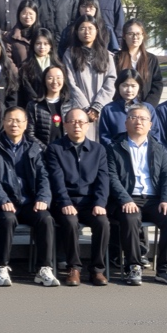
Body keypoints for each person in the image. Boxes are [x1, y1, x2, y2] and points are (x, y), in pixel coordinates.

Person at [0, 107, 59, 287]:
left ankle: (44, 268)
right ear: (3, 123)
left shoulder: (33, 148)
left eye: (18, 120)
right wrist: (3, 200)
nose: (14, 124)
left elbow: (43, 176)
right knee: (7, 219)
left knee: (45, 218)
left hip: (28, 202)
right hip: (2, 204)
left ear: (25, 124)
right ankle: (1, 267)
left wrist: (43, 198)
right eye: (10, 120)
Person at [106, 104, 167, 286]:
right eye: (133, 117)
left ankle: (165, 269)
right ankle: (133, 266)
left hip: (154, 199)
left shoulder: (159, 148)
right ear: (126, 123)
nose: (138, 121)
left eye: (143, 118)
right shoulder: (114, 148)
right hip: (127, 198)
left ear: (150, 124)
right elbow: (111, 177)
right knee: (130, 218)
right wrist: (125, 199)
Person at [45, 108, 111, 286]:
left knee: (103, 222)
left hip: (90, 202)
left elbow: (103, 179)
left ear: (88, 125)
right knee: (70, 221)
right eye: (72, 122)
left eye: (81, 122)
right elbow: (56, 180)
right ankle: (74, 268)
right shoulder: (55, 148)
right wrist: (64, 202)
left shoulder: (98, 150)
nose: (77, 126)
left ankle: (97, 270)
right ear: (65, 125)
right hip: (65, 202)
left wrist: (100, 203)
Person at [62, 15, 118, 142]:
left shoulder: (106, 55)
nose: (86, 32)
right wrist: (86, 109)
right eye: (82, 28)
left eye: (90, 28)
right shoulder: (70, 54)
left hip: (102, 109)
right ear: (77, 32)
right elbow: (70, 83)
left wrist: (96, 107)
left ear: (97, 31)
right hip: (79, 110)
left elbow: (111, 81)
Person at [26, 63, 86, 146]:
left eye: (58, 78)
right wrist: (47, 150)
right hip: (43, 152)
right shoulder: (34, 106)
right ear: (44, 81)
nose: (55, 82)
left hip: (66, 150)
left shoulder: (72, 104)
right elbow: (30, 134)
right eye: (50, 78)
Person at [98, 69, 158, 143]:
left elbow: (155, 134)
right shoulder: (108, 110)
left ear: (139, 87)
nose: (129, 90)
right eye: (125, 85)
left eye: (133, 86)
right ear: (118, 86)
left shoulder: (148, 108)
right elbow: (104, 137)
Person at [116, 19, 162, 106]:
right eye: (131, 34)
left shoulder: (151, 59)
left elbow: (157, 84)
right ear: (124, 36)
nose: (135, 37)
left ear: (143, 36)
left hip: (144, 108)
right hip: (120, 107)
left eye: (138, 34)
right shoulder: (116, 58)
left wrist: (148, 106)